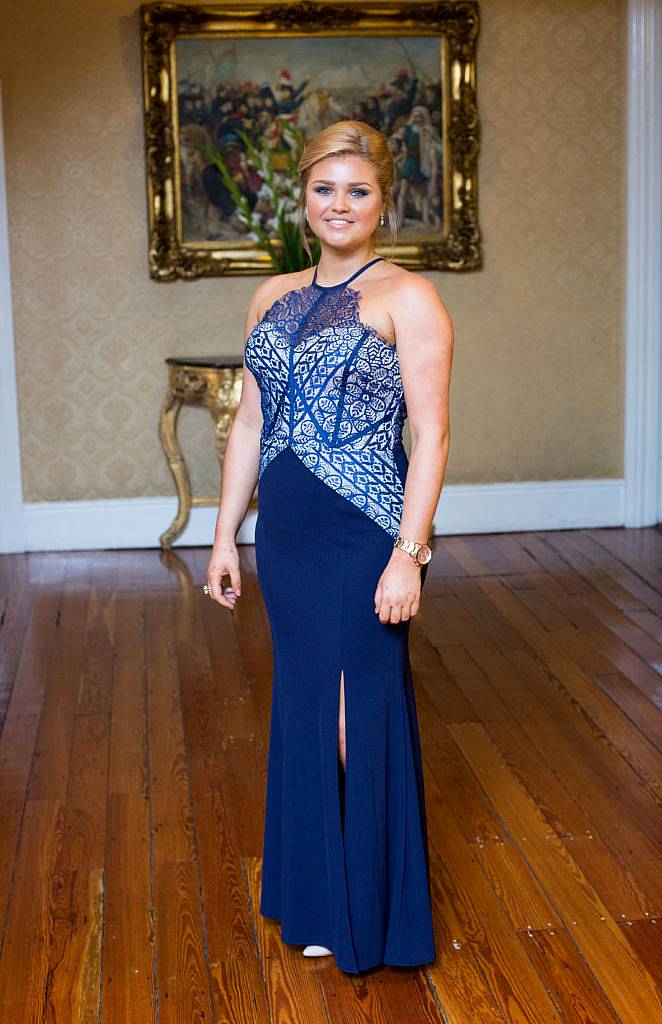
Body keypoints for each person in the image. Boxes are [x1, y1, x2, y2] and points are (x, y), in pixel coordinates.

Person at [205, 119, 453, 974]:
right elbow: (249, 421)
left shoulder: (409, 299)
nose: (339, 205)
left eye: (359, 190)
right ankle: (314, 896)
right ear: (302, 197)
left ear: (386, 201)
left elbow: (435, 436)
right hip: (289, 538)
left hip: (367, 532)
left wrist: (407, 555)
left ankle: (367, 912)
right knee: (309, 704)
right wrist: (223, 537)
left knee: (357, 715)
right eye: (324, 189)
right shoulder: (270, 295)